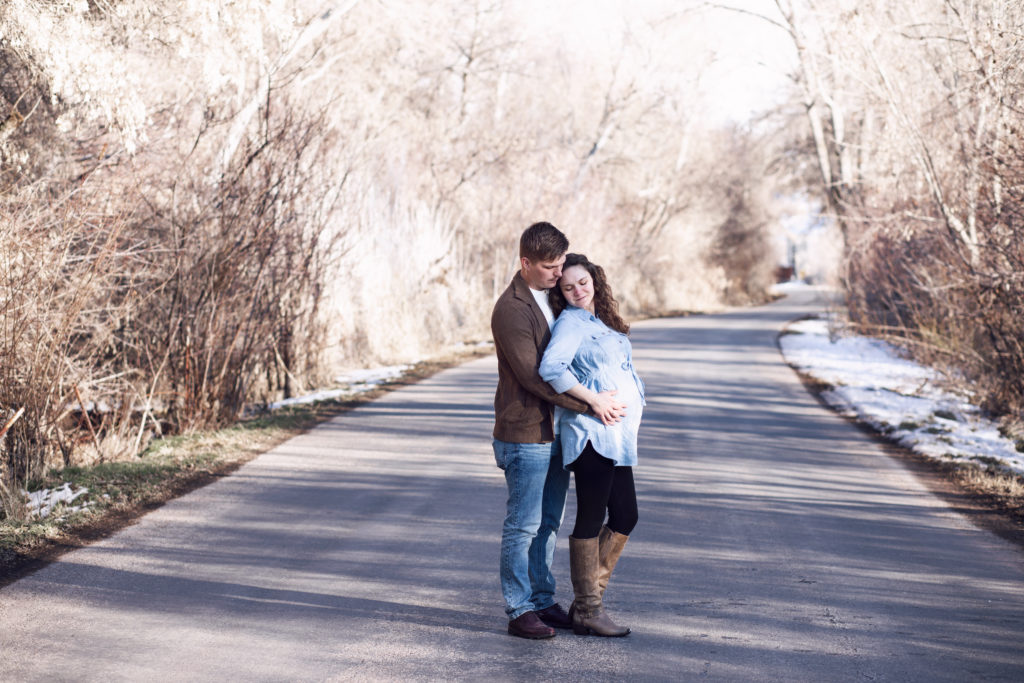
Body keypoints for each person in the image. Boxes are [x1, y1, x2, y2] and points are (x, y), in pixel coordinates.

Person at [491, 223, 626, 640]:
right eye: (550, 266)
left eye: (561, 264)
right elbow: (535, 378)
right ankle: (519, 609)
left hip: (555, 434)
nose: (557, 273)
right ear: (524, 263)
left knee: (548, 521)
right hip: (525, 433)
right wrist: (590, 403)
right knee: (523, 524)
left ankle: (543, 598)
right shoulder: (512, 309)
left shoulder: (550, 297)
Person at [539, 253, 644, 637]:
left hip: (614, 438)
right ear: (561, 293)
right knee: (590, 517)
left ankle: (587, 605)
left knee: (626, 516)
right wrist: (594, 400)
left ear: (594, 279)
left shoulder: (598, 321)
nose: (577, 291)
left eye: (582, 282)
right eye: (568, 287)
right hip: (590, 434)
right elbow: (551, 368)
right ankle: (588, 607)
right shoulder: (570, 323)